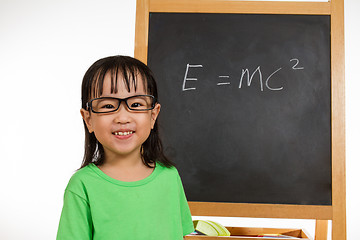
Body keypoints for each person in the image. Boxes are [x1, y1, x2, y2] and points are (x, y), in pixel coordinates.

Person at [56, 55, 194, 240]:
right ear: (88, 119)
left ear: (153, 115)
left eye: (136, 104)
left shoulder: (170, 177)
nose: (122, 118)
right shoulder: (82, 185)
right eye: (108, 106)